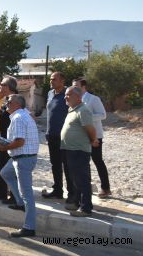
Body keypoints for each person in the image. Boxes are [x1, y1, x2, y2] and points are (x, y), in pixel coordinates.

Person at [0, 94, 40, 238]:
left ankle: (29, 227)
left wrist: (4, 147)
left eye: (8, 101)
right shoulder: (22, 115)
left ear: (16, 104)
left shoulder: (18, 118)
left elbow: (20, 142)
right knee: (5, 173)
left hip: (23, 159)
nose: (6, 103)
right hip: (21, 157)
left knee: (27, 194)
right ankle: (20, 203)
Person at [61, 86, 99, 217]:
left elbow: (91, 129)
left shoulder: (83, 109)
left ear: (78, 97)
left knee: (82, 179)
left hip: (79, 150)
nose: (65, 97)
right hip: (70, 149)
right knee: (75, 179)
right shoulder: (72, 110)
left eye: (68, 95)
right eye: (65, 95)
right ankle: (77, 203)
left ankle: (86, 208)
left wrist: (93, 140)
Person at [72, 78, 111, 199]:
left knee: (98, 161)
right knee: (83, 163)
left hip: (95, 135)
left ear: (84, 86)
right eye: (73, 86)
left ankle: (106, 188)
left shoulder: (94, 99)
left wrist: (87, 117)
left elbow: (103, 115)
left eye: (76, 86)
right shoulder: (74, 99)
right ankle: (86, 189)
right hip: (81, 136)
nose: (74, 88)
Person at [42, 72, 74, 203]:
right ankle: (57, 190)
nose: (51, 81)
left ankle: (72, 193)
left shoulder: (68, 94)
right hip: (52, 135)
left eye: (54, 79)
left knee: (67, 165)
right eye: (50, 79)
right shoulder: (50, 93)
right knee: (55, 164)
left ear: (62, 80)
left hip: (65, 136)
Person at [0, 76, 18, 204]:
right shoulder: (5, 100)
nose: (0, 87)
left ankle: (14, 197)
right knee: (1, 166)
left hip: (13, 140)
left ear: (8, 87)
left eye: (2, 84)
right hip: (3, 138)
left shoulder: (17, 100)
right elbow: (2, 116)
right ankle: (1, 193)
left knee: (12, 169)